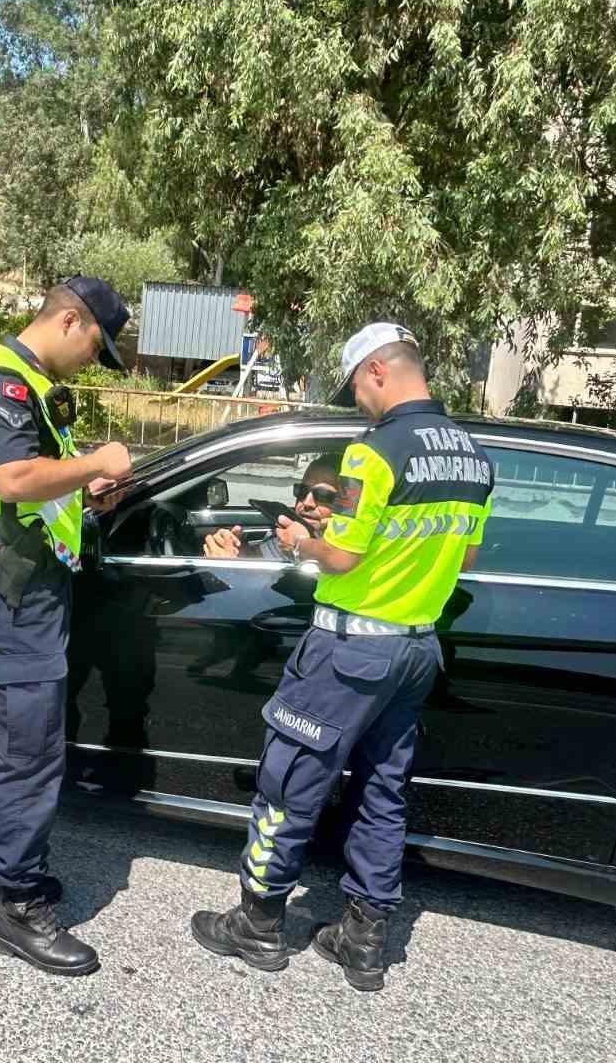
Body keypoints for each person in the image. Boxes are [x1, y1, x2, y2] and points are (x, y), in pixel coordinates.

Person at [189, 323, 494, 992]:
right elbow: (463, 557)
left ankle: (258, 926)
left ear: (379, 371)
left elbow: (346, 555)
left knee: (289, 782)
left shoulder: (373, 454)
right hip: (416, 648)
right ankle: (363, 939)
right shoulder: (473, 456)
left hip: (351, 646)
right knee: (383, 792)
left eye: (356, 385)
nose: (357, 399)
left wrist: (302, 541)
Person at [0, 276, 134, 977]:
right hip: (10, 587)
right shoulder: (6, 383)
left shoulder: (26, 382)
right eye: (95, 347)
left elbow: (39, 487)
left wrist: (87, 490)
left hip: (15, 584)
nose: (92, 362)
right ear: (70, 321)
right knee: (31, 745)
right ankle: (20, 907)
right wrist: (98, 462)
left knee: (1, 725)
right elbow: (15, 480)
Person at [201, 454, 345, 561]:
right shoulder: (290, 532)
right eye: (302, 491)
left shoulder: (348, 552)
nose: (307, 502)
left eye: (323, 495)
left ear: (348, 504)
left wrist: (303, 546)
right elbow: (259, 557)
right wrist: (232, 548)